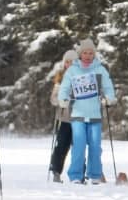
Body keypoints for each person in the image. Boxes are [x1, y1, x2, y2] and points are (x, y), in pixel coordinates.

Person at [57, 38, 117, 185]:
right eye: (85, 53)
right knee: (79, 145)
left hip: (95, 114)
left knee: (95, 146)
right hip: (78, 114)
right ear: (80, 54)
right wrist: (63, 98)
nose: (88, 56)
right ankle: (75, 175)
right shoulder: (73, 70)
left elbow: (108, 87)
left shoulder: (100, 69)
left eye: (91, 53)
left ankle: (95, 174)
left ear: (94, 54)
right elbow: (64, 87)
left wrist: (109, 98)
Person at [48, 49, 78, 182]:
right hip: (64, 119)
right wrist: (60, 101)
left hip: (79, 119)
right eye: (67, 62)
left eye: (72, 62)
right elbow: (53, 99)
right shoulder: (60, 78)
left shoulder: (82, 77)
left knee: (78, 146)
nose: (69, 64)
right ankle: (56, 171)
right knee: (61, 145)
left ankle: (79, 173)